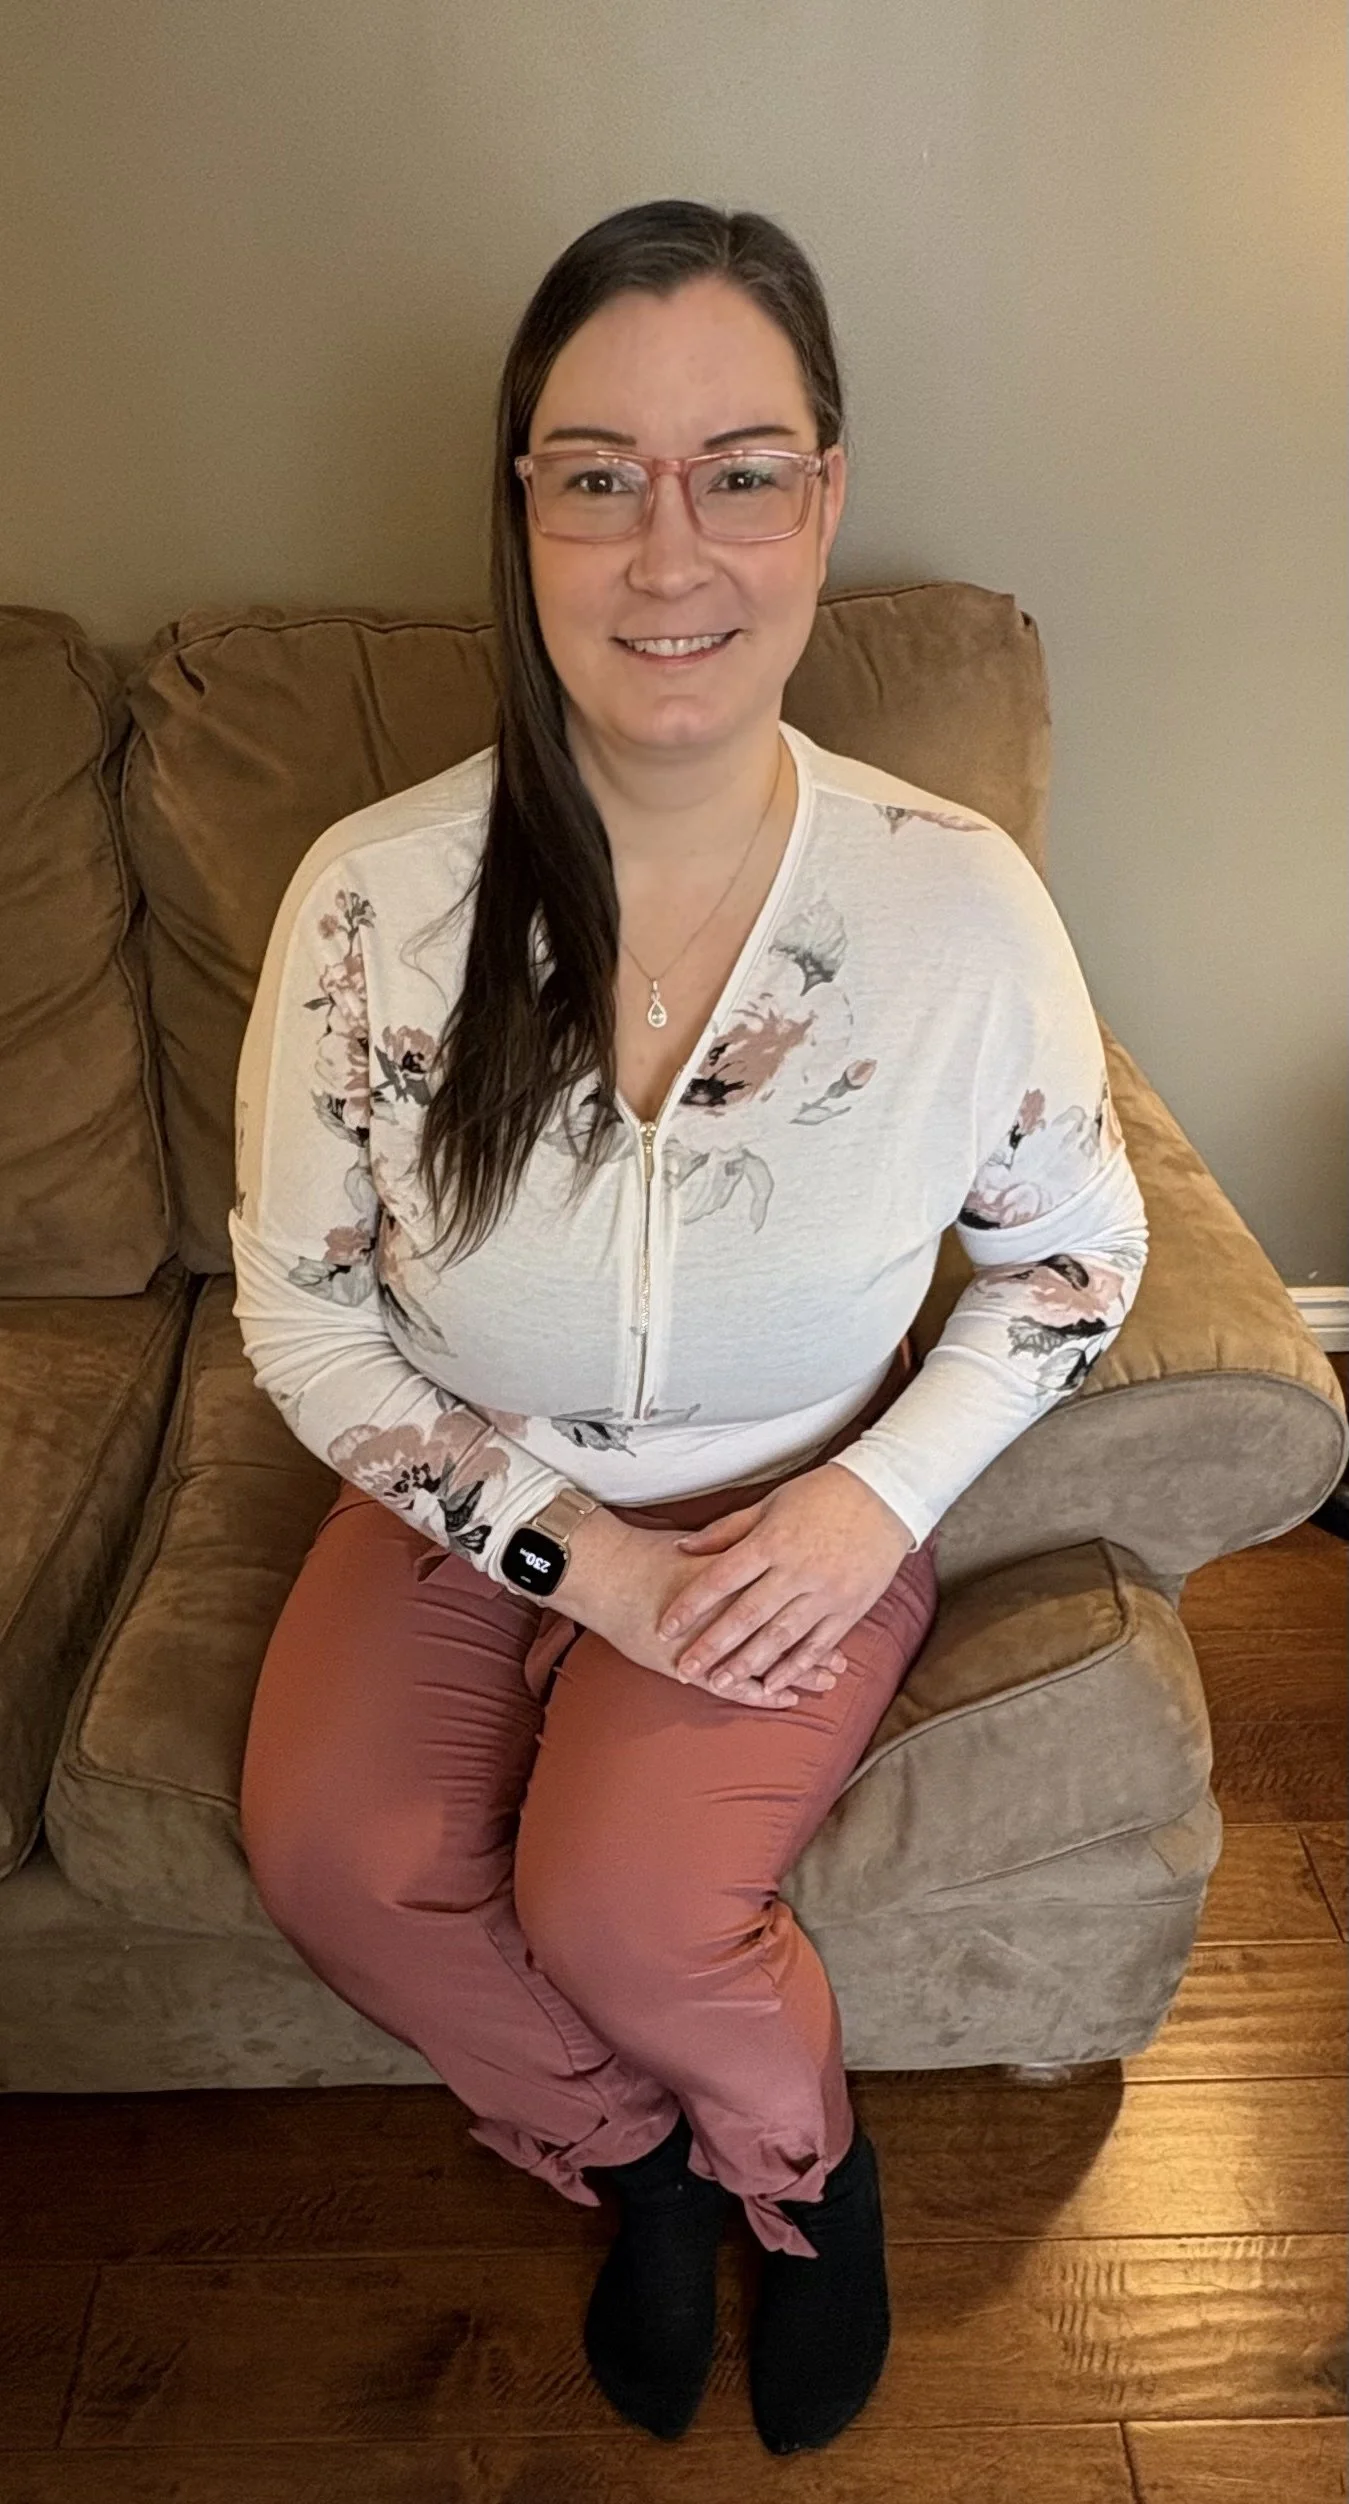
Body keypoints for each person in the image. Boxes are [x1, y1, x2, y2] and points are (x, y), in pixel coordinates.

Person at [232, 198, 1149, 2456]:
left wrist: (864, 1502)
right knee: (331, 1855)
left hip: (788, 1513)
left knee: (627, 1907)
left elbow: (1072, 1251)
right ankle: (633, 2159)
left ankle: (800, 2175)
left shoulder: (950, 906)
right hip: (482, 1483)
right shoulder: (375, 901)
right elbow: (307, 1313)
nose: (672, 550)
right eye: (596, 473)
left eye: (741, 469)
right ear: (519, 511)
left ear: (822, 502)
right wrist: (583, 1562)